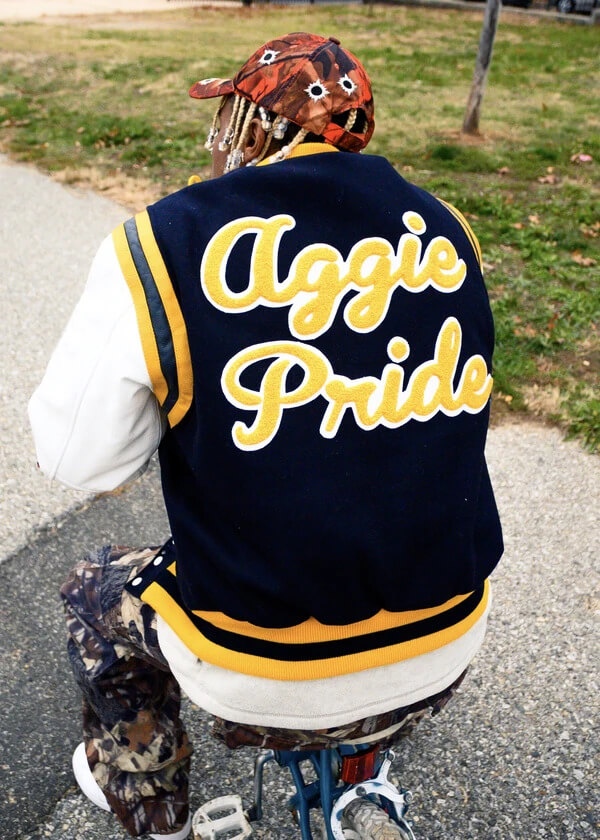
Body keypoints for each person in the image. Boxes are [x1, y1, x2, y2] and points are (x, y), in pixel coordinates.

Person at [29, 32, 503, 839]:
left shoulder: (164, 239)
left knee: (91, 590)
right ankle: (364, 773)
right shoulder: (446, 227)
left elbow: (81, 461)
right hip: (449, 636)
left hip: (263, 668)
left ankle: (153, 801)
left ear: (255, 126)